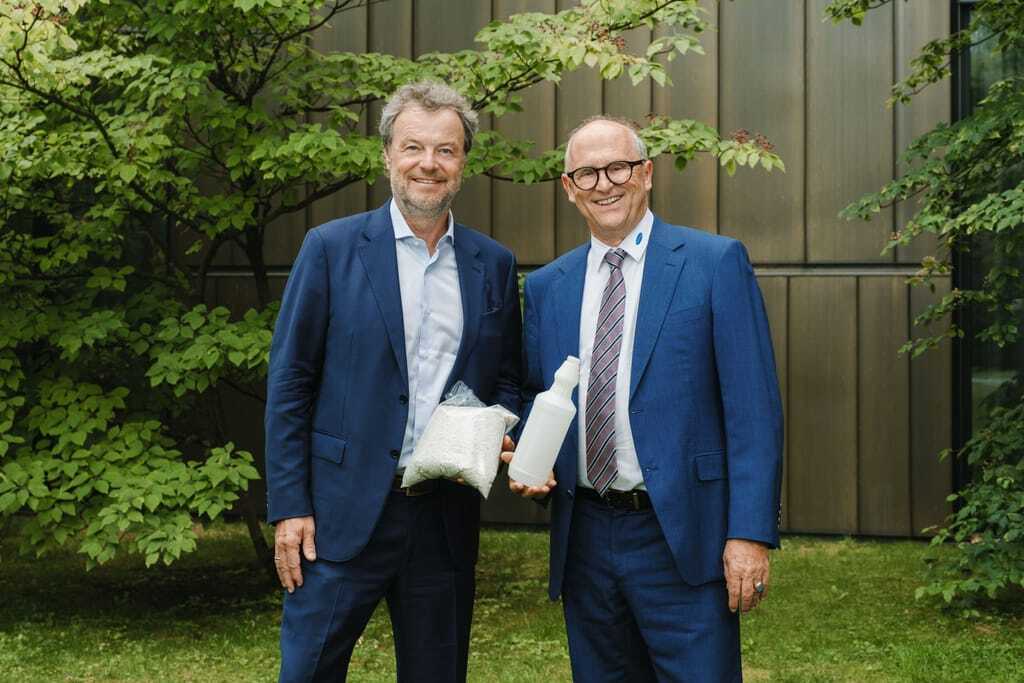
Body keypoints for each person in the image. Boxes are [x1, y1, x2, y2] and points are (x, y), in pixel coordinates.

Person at [503, 116, 783, 682]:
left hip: (683, 534)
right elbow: (539, 392)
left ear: (647, 173)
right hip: (585, 537)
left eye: (619, 168)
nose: (604, 184)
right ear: (569, 187)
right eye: (587, 173)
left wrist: (749, 534)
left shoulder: (713, 264)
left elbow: (754, 412)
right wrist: (532, 458)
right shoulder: (549, 286)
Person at [265, 81, 521, 683]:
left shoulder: (493, 264)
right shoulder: (330, 249)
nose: (428, 163)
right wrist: (290, 505)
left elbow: (508, 378)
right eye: (413, 147)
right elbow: (291, 383)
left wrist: (492, 434)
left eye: (446, 150)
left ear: (463, 163)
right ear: (387, 156)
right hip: (336, 516)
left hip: (443, 520)